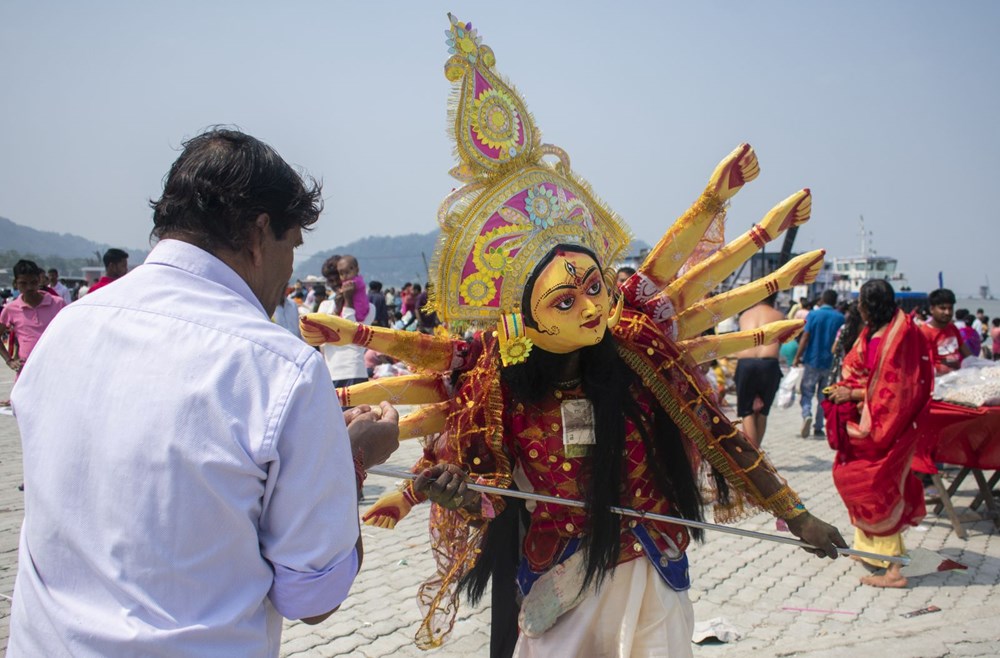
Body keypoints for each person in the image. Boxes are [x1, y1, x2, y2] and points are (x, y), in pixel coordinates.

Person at [301, 17, 844, 655]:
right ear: (524, 320)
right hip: (562, 581)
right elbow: (479, 486)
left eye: (593, 285)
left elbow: (716, 433)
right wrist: (442, 487)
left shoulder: (637, 353)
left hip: (653, 576)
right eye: (565, 299)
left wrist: (794, 512)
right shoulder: (493, 388)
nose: (591, 306)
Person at [7, 128, 400, 656]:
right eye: (293, 245)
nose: (289, 272)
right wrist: (349, 460)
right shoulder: (279, 369)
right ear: (261, 233)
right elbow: (312, 596)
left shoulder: (65, 330)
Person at [824, 280, 932, 588]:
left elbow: (898, 390)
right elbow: (863, 370)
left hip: (887, 427)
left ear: (869, 305)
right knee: (853, 478)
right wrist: (848, 391)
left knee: (880, 487)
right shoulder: (872, 331)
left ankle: (895, 571)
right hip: (863, 423)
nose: (857, 306)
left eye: (861, 301)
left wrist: (854, 394)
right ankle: (867, 547)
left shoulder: (900, 337)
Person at [0, 260, 67, 402]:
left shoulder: (58, 303)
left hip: (55, 373)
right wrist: (9, 361)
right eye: (23, 283)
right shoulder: (11, 309)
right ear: (15, 284)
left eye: (33, 282)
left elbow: (70, 334)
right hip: (26, 375)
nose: (30, 287)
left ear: (40, 280)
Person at [733, 294, 785, 448]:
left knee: (746, 411)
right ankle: (756, 455)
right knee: (763, 412)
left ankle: (752, 455)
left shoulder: (745, 315)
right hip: (769, 364)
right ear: (774, 299)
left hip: (746, 363)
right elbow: (781, 342)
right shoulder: (780, 316)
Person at [793, 289, 844, 438]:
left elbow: (805, 337)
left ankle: (806, 413)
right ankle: (818, 426)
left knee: (807, 391)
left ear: (822, 299)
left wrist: (798, 356)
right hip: (830, 363)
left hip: (811, 360)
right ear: (835, 302)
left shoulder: (813, 315)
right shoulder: (840, 318)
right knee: (824, 395)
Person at [318, 255, 374, 388]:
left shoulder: (368, 308)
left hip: (354, 371)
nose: (335, 284)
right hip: (332, 373)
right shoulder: (326, 306)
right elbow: (321, 339)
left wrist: (348, 301)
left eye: (337, 278)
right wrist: (337, 310)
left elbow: (351, 332)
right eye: (330, 281)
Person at [919, 288, 971, 375]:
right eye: (942, 308)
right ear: (932, 309)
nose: (947, 312)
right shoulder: (925, 333)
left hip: (956, 379)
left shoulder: (952, 328)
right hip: (937, 382)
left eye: (950, 308)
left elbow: (968, 355)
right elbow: (923, 365)